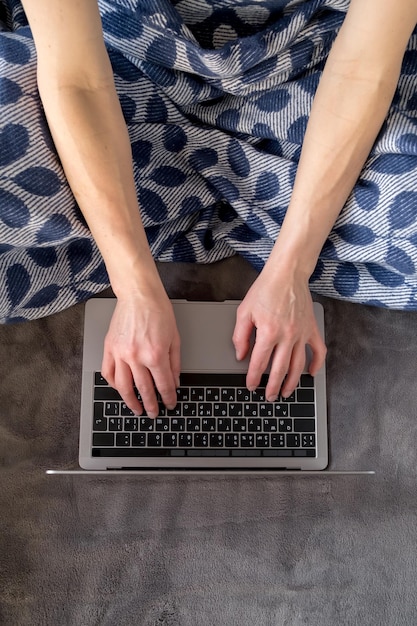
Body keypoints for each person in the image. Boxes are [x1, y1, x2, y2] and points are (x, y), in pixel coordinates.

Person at [3, 0, 417, 418]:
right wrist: (135, 289)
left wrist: (291, 270)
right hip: (127, 65)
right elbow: (77, 81)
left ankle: (193, 217)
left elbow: (360, 72)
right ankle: (240, 215)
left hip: (305, 75)